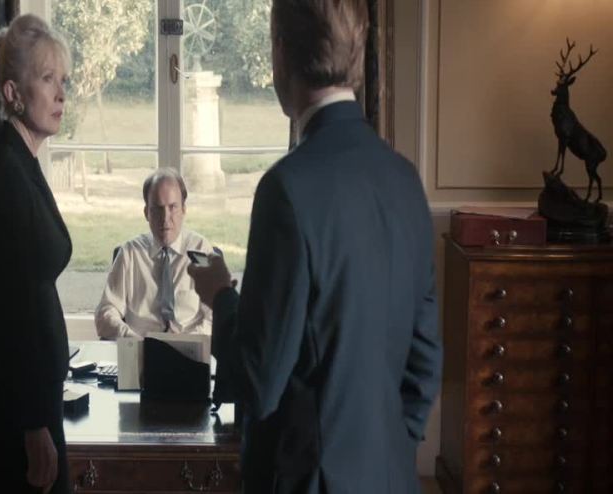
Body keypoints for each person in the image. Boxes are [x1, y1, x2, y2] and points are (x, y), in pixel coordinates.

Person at [187, 0, 442, 492]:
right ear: (357, 54)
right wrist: (387, 451)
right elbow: (425, 362)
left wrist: (220, 295)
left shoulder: (286, 189)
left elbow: (260, 382)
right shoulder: (405, 179)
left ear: (280, 53)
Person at [0, 14, 72, 494]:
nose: (61, 94)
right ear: (13, 93)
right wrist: (33, 424)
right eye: (48, 79)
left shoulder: (21, 163)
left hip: (36, 401)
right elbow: (9, 311)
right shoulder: (8, 176)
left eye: (63, 80)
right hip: (20, 410)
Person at [95, 169, 213, 339]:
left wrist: (190, 342)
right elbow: (105, 314)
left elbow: (216, 314)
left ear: (183, 209)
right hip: (140, 346)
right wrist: (135, 341)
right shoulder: (130, 253)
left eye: (173, 207)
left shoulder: (201, 250)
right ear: (146, 213)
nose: (165, 218)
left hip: (190, 347)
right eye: (157, 209)